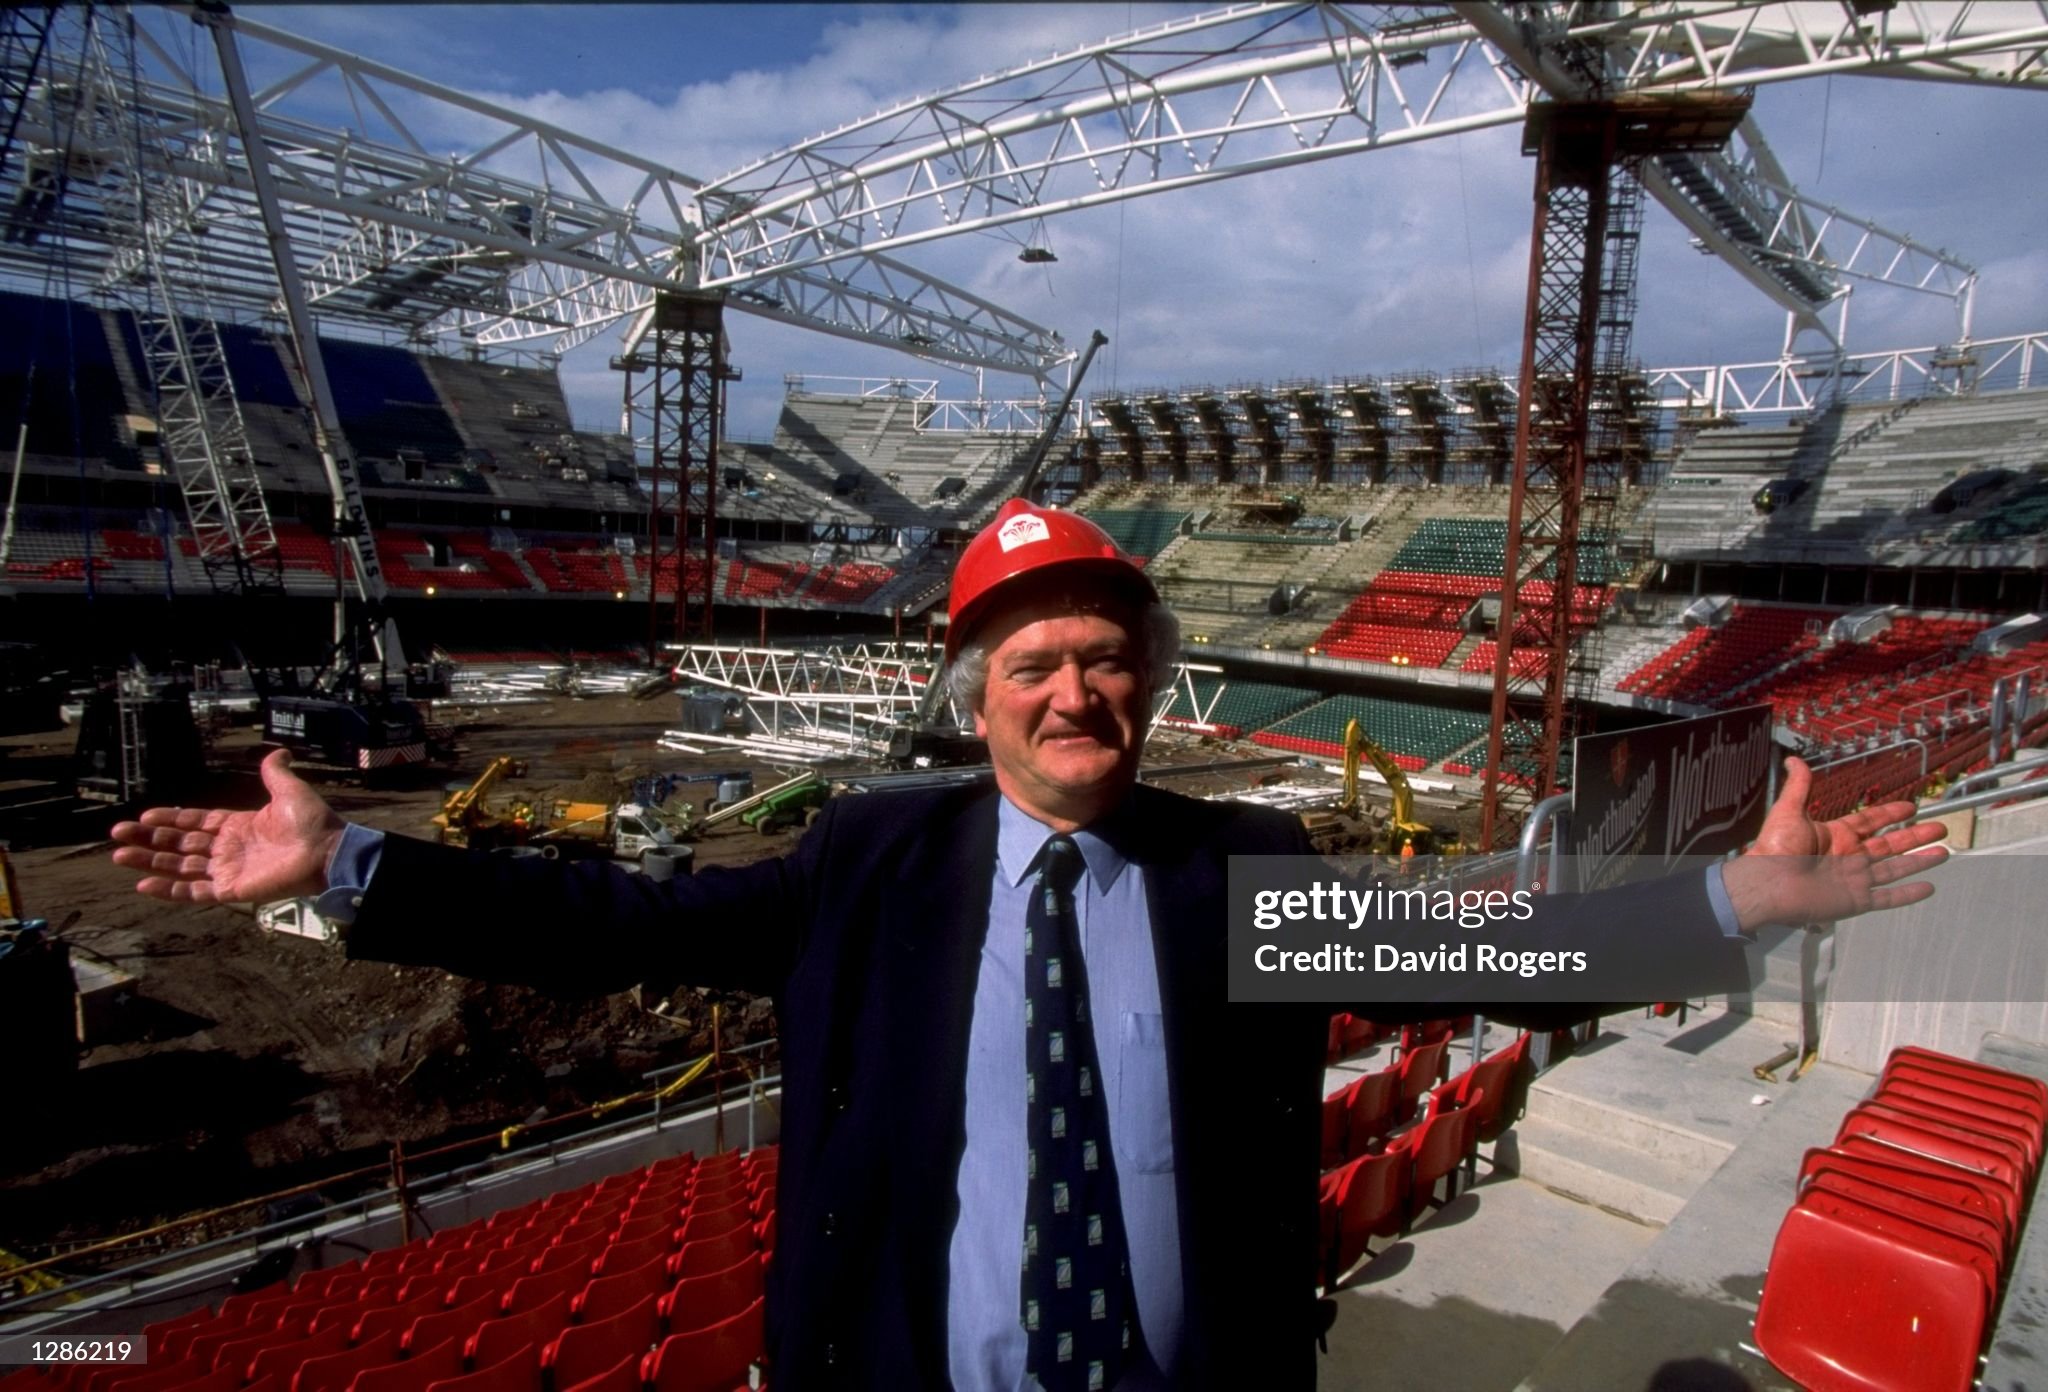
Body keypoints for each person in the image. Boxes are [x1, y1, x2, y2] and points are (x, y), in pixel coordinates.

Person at [111, 500, 1946, 1390]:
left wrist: (1735, 901)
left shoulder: (1238, 866)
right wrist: (353, 869)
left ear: (1146, 690)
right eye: (1035, 668)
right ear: (977, 701)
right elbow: (614, 920)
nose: (1079, 693)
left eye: (1107, 663)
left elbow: (1468, 941)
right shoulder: (868, 861)